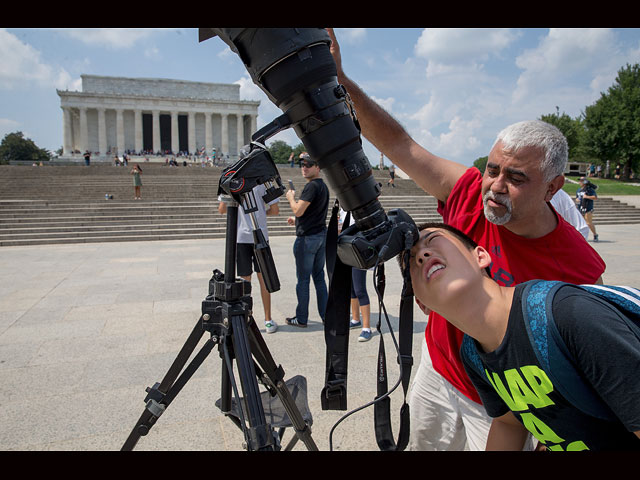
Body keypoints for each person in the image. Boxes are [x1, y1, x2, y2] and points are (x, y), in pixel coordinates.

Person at [327, 28, 606, 451]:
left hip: (504, 408)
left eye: (516, 178)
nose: (494, 186)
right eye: (493, 169)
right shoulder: (469, 192)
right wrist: (340, 81)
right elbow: (401, 144)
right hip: (438, 371)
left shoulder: (580, 269)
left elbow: (589, 372)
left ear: (553, 188)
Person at [403, 222, 640, 450]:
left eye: (433, 240)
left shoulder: (567, 316)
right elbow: (508, 423)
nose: (422, 255)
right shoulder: (473, 353)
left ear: (481, 256)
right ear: (421, 303)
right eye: (411, 260)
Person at [218, 183, 280, 334]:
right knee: (264, 279)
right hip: (260, 235)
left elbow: (222, 209)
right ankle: (268, 320)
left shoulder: (233, 183)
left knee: (245, 280)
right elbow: (275, 210)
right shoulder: (262, 182)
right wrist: (261, 213)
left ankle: (246, 318)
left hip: (240, 236)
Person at [285, 152, 329, 328]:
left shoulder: (311, 187)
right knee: (319, 278)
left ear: (317, 168)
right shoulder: (322, 186)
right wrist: (297, 221)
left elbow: (298, 210)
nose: (304, 167)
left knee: (303, 280)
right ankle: (326, 316)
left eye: (309, 165)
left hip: (307, 240)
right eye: (303, 164)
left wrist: (290, 198)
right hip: (320, 236)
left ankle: (301, 318)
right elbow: (312, 214)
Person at [339, 208, 372, 342]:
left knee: (360, 289)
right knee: (351, 288)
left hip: (358, 250)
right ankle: (355, 319)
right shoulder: (342, 208)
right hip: (346, 249)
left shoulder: (357, 206)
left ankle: (366, 328)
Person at [576, 176, 598, 242]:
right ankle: (582, 236)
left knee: (588, 223)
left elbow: (595, 197)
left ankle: (595, 234)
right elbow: (577, 198)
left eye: (581, 181)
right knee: (581, 223)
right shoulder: (579, 190)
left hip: (588, 208)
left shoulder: (589, 190)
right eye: (579, 181)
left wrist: (587, 196)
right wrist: (577, 199)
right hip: (581, 208)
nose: (580, 182)